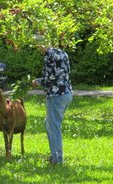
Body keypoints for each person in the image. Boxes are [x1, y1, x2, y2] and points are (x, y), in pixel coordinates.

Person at [31, 34, 73, 165]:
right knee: (49, 124)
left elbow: (51, 78)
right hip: (67, 93)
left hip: (56, 95)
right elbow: (66, 72)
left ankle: (57, 159)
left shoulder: (49, 55)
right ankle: (54, 155)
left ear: (42, 44)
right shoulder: (63, 53)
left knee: (54, 127)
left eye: (38, 46)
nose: (38, 49)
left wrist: (36, 82)